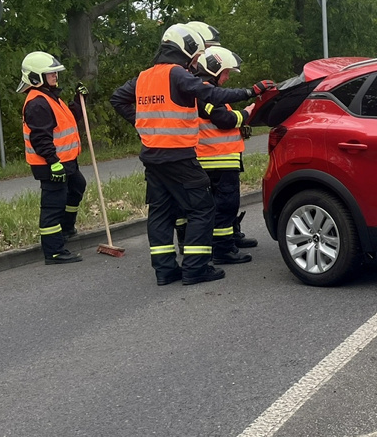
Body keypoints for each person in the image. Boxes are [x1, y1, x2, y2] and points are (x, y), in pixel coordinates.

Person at [110, 24, 275, 286]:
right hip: (179, 155)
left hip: (152, 156)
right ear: (185, 49)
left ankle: (165, 271)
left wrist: (142, 124)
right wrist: (250, 92)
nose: (195, 61)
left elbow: (117, 98)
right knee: (202, 208)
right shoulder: (176, 74)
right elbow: (210, 93)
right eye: (195, 56)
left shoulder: (144, 77)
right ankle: (196, 269)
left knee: (162, 213)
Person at [19, 52, 87, 264]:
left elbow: (67, 121)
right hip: (52, 164)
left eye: (55, 73)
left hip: (65, 161)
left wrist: (79, 100)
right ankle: (54, 251)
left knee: (77, 186)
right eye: (50, 73)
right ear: (36, 77)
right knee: (52, 205)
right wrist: (53, 162)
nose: (55, 76)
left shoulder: (50, 97)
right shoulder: (37, 103)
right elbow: (40, 138)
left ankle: (66, 228)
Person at [192, 44, 254, 265]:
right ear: (214, 70)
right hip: (215, 158)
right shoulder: (205, 91)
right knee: (225, 205)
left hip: (219, 158)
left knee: (223, 205)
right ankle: (223, 250)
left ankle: (228, 241)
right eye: (226, 72)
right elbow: (224, 120)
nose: (227, 77)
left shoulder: (207, 90)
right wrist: (247, 113)